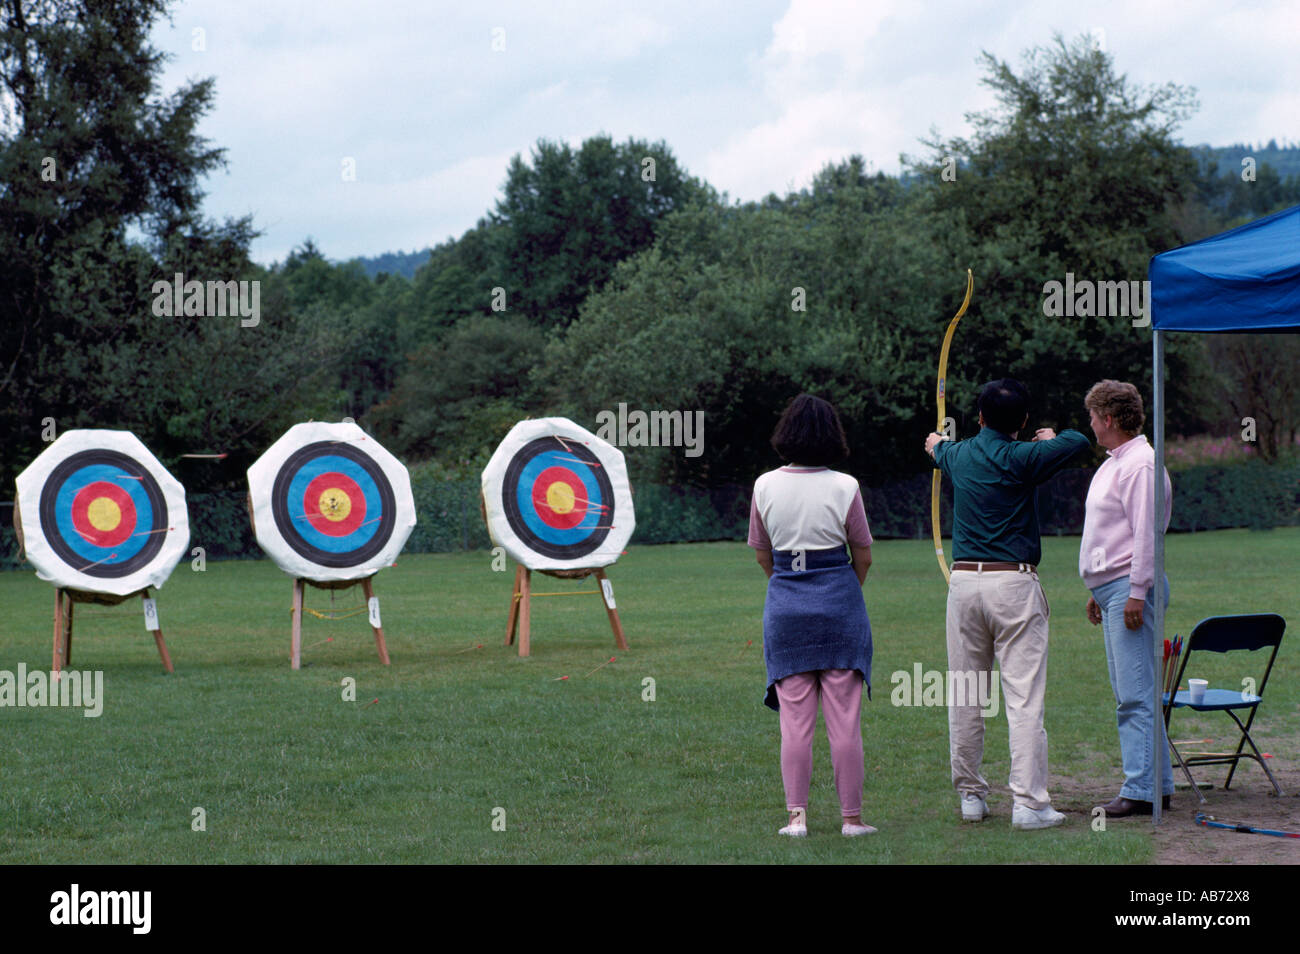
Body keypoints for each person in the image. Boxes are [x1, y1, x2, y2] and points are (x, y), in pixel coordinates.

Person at [925, 378, 1089, 830]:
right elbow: (1078, 440)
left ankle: (971, 797)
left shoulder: (957, 456)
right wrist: (1050, 436)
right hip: (1013, 585)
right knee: (1023, 699)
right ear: (1021, 421)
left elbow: (936, 448)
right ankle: (1029, 804)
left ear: (978, 418)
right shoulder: (1025, 456)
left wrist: (938, 442)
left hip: (963, 585)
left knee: (965, 693)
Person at [748, 394, 875, 838]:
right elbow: (863, 554)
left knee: (794, 723)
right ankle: (852, 820)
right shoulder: (845, 486)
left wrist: (788, 585)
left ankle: (796, 818)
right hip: (840, 609)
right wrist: (842, 591)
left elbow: (763, 554)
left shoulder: (764, 486)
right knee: (845, 721)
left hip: (786, 613)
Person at [1079, 380, 1174, 817]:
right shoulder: (1118, 462)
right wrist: (1098, 589)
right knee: (1132, 689)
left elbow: (1146, 535)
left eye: (1094, 417)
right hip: (1114, 589)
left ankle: (1140, 788)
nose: (1092, 424)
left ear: (1109, 419)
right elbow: (1111, 533)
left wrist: (1135, 593)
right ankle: (1159, 784)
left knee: (1133, 694)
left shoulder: (1141, 465)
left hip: (1131, 591)